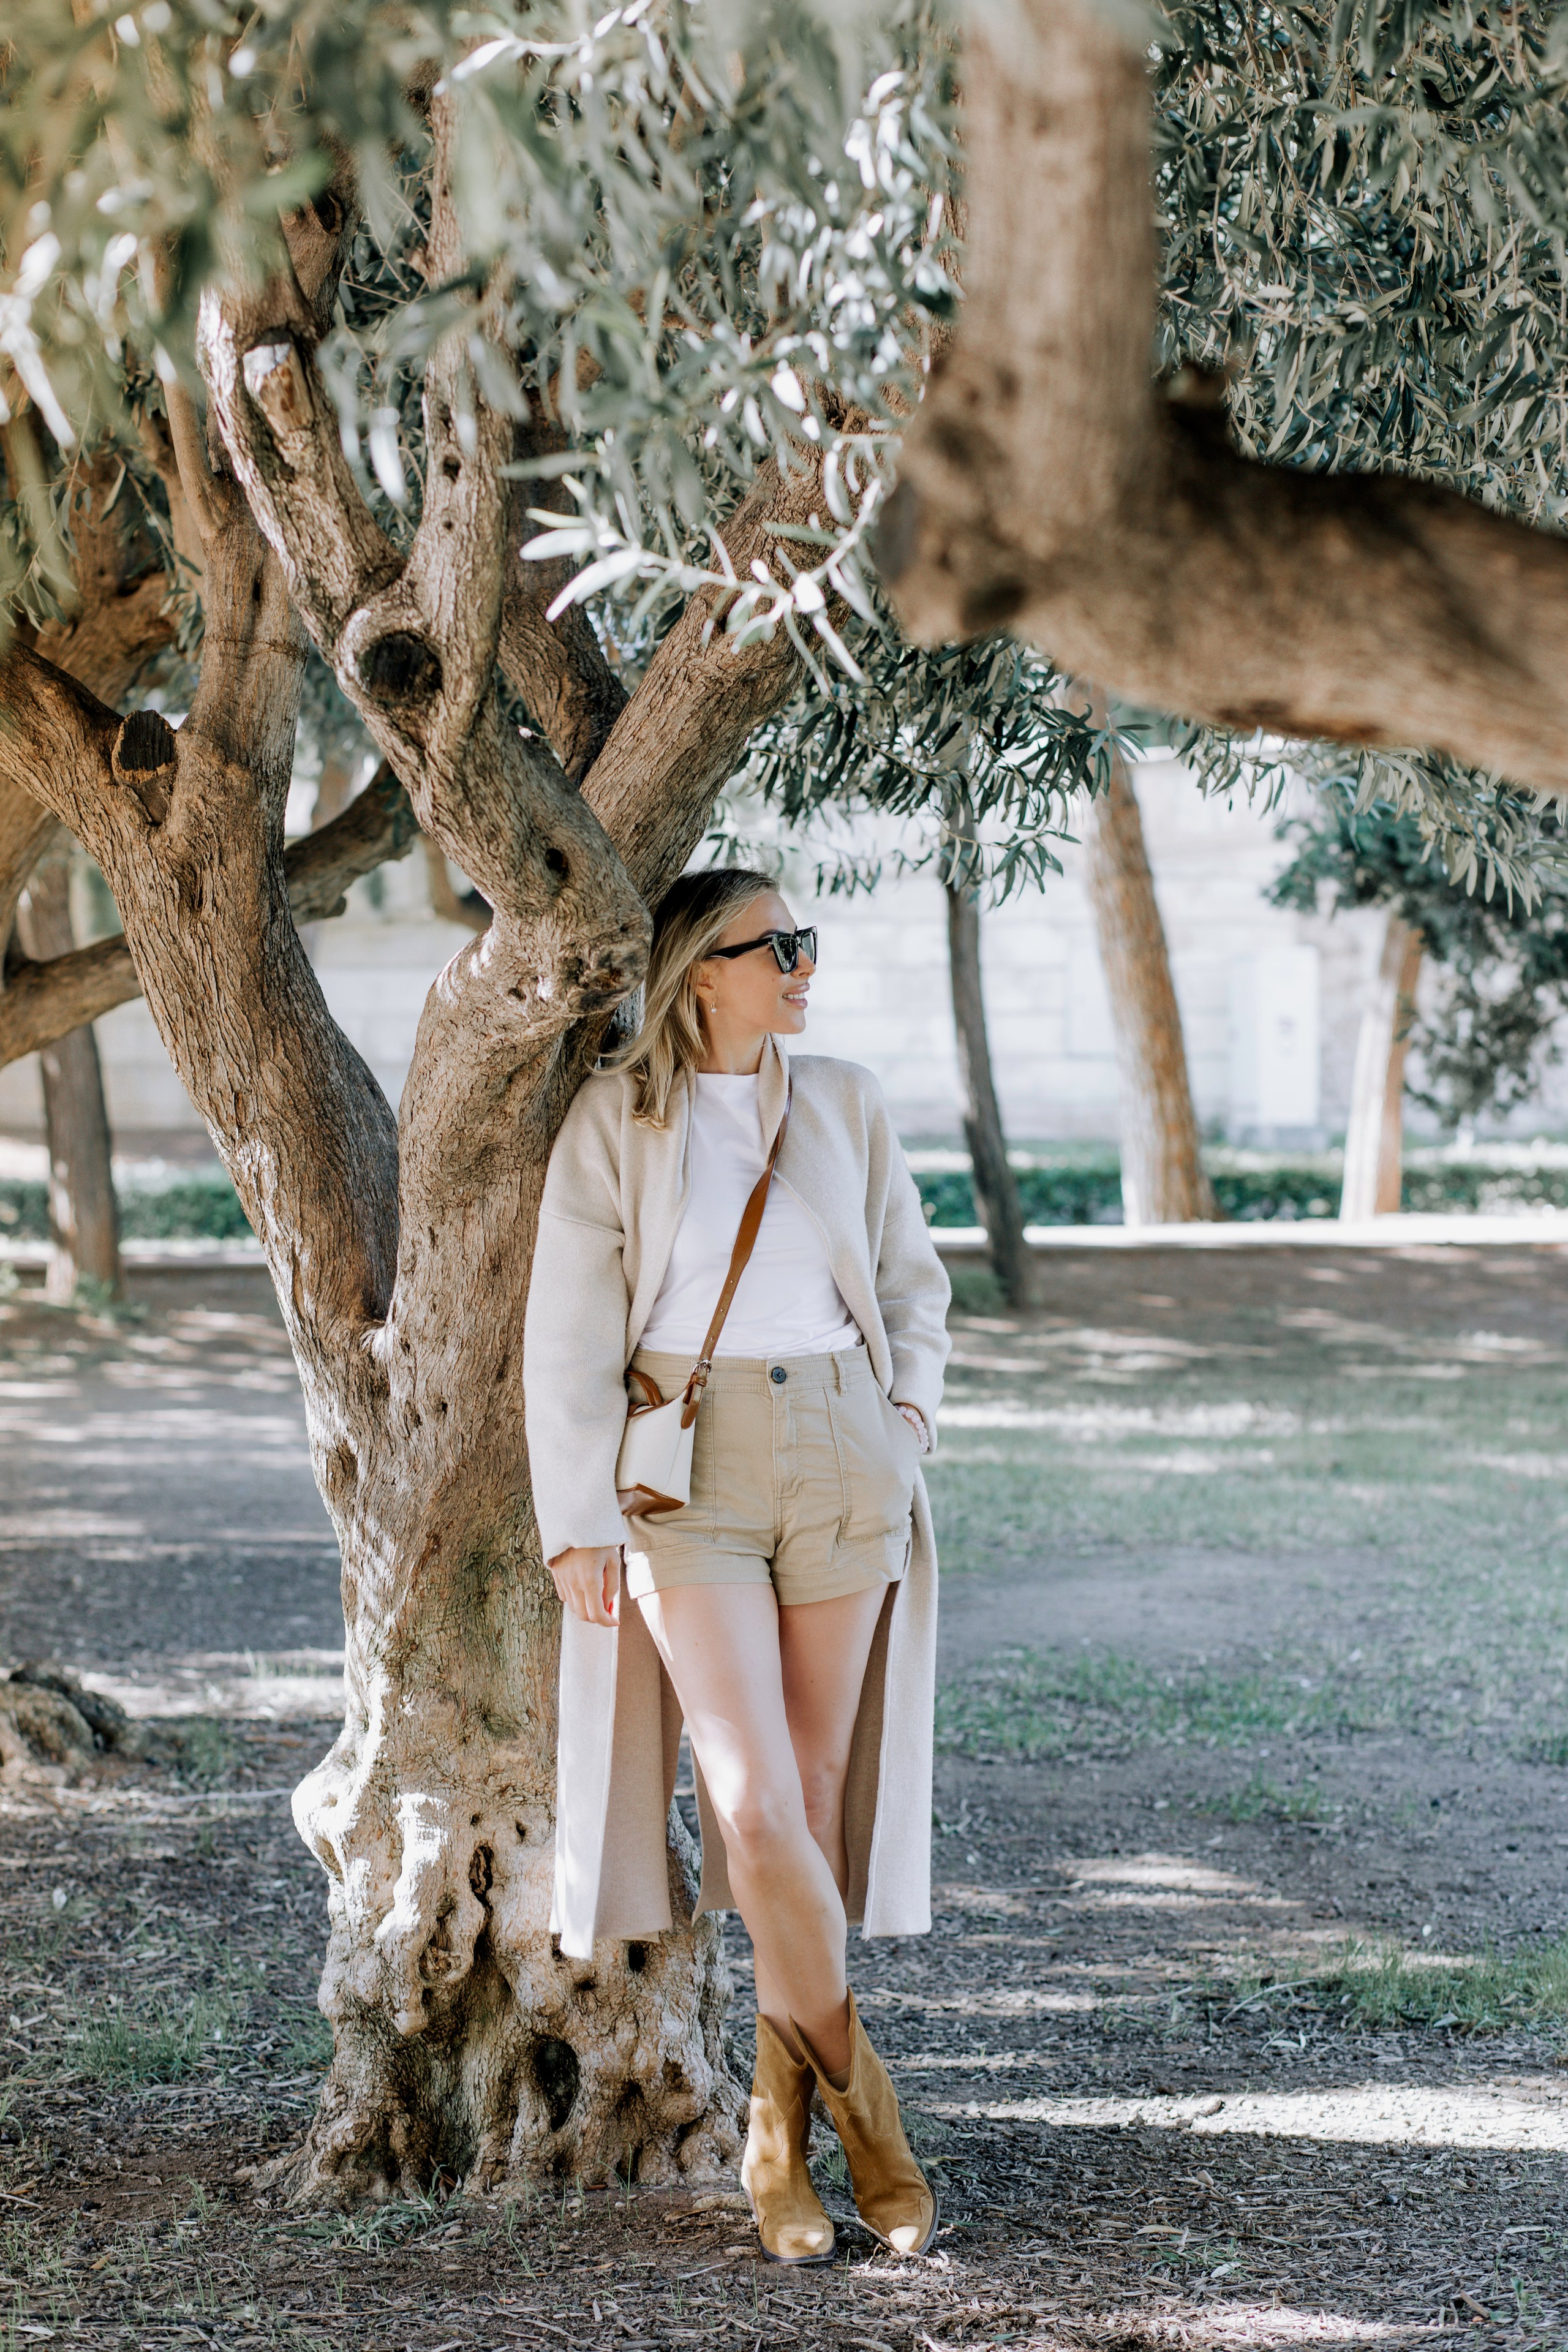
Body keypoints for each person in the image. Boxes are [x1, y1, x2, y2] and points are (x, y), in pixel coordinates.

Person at [524, 867, 951, 2264]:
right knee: (754, 1807)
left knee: (812, 1807)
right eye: (781, 948)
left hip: (839, 1444)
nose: (803, 969)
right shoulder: (612, 1120)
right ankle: (865, 2103)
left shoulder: (842, 1098)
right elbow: (569, 1331)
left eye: (804, 947)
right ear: (703, 968)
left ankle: (777, 2135)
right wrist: (576, 1515)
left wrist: (903, 1420)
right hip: (682, 1468)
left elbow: (907, 1277)